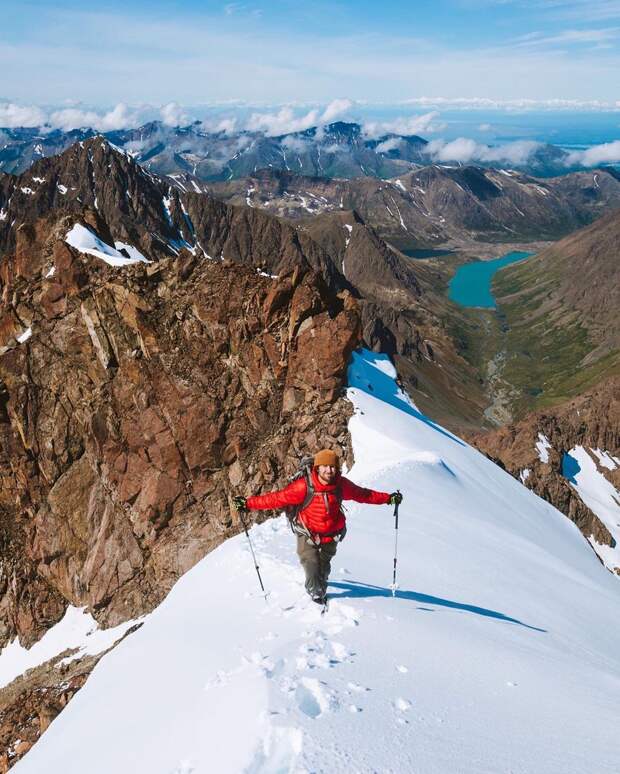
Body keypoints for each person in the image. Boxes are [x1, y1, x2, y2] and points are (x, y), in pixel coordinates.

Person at [234, 449, 402, 605]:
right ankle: (315, 593)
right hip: (307, 533)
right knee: (311, 564)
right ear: (318, 467)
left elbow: (364, 494)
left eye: (333, 467)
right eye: (325, 467)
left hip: (332, 534)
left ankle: (320, 583)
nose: (329, 471)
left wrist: (388, 499)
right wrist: (248, 503)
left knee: (324, 566)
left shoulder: (340, 485)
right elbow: (276, 499)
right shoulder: (303, 486)